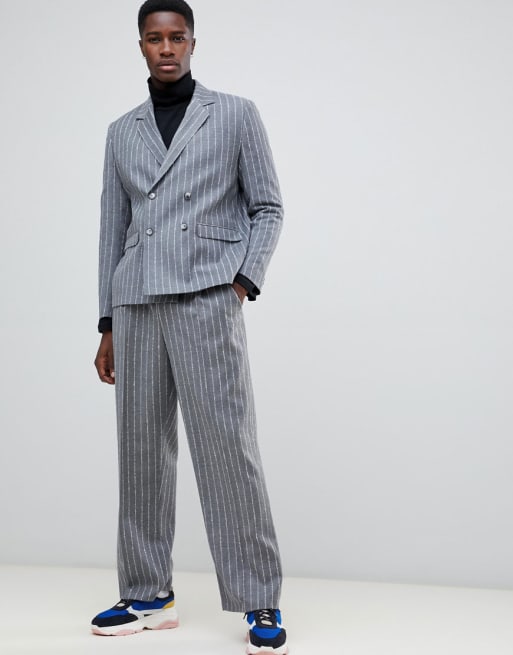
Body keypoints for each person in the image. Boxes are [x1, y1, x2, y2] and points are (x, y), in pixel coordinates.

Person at [92, 1, 287, 653]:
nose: (167, 48)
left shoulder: (233, 114)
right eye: (155, 38)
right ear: (141, 46)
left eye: (177, 37)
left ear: (193, 43)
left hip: (207, 297)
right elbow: (112, 229)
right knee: (141, 452)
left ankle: (259, 596)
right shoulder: (121, 131)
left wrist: (242, 281)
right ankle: (148, 592)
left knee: (227, 449)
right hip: (137, 304)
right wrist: (106, 322)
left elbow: (267, 206)